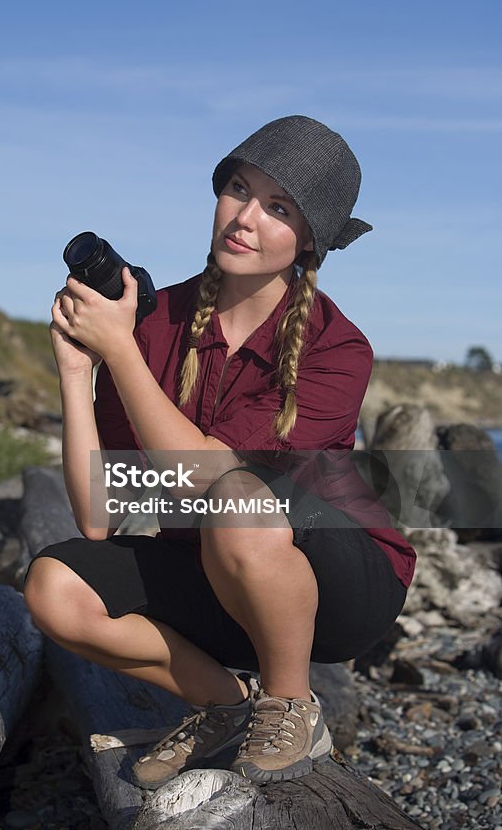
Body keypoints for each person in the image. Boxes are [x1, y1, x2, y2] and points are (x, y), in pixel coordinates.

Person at [23, 115, 417, 790]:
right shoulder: (153, 324)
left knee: (236, 496)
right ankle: (222, 705)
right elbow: (98, 516)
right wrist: (75, 371)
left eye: (278, 207)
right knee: (55, 589)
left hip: (336, 588)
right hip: (217, 574)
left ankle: (291, 706)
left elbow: (213, 478)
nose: (244, 218)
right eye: (237, 189)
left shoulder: (336, 348)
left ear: (309, 238)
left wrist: (120, 351)